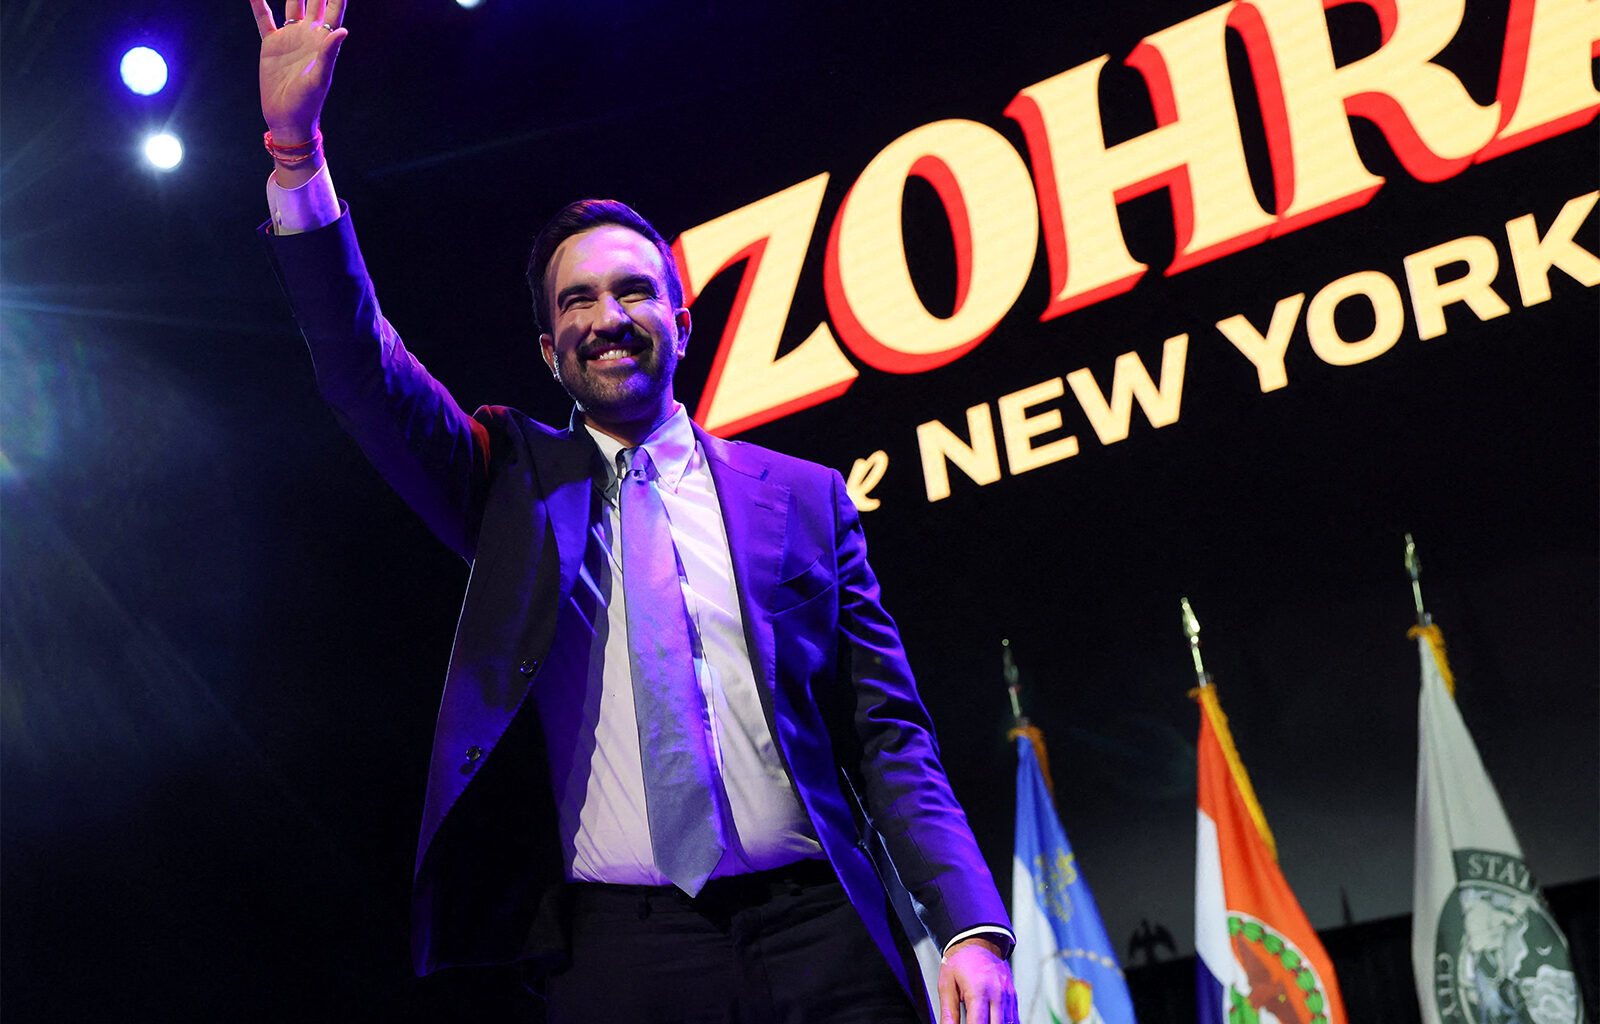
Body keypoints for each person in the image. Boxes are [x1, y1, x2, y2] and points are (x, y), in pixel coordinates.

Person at [249, 2, 1018, 1021]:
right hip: (620, 951)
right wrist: (298, 158)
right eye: (576, 303)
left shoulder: (803, 497)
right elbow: (360, 372)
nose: (607, 318)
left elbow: (888, 735)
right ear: (547, 351)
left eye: (633, 293)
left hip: (821, 928)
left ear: (681, 321)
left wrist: (968, 924)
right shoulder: (506, 479)